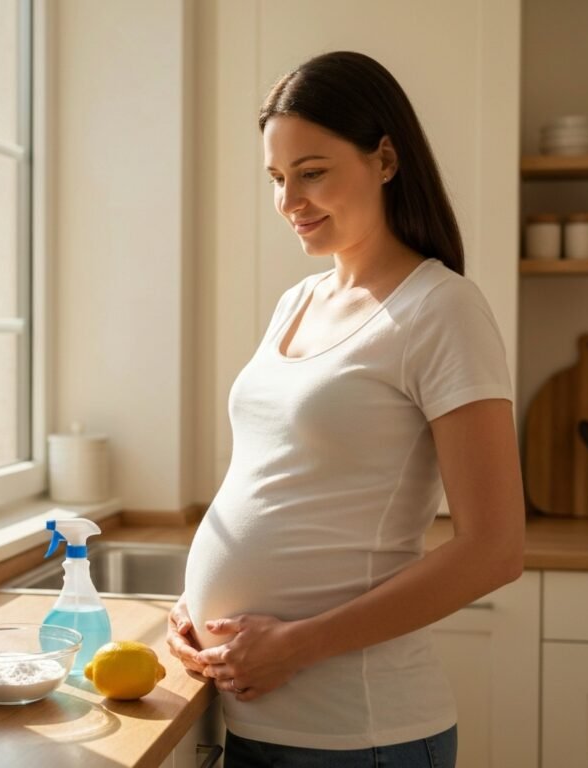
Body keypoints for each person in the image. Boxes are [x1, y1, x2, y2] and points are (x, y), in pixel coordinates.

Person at [166, 51, 524, 767]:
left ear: (385, 159)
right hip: (256, 719)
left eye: (313, 171)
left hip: (361, 734)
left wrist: (294, 645)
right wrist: (189, 610)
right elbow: (277, 483)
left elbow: (495, 548)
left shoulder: (442, 309)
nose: (290, 200)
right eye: (277, 177)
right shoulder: (296, 303)